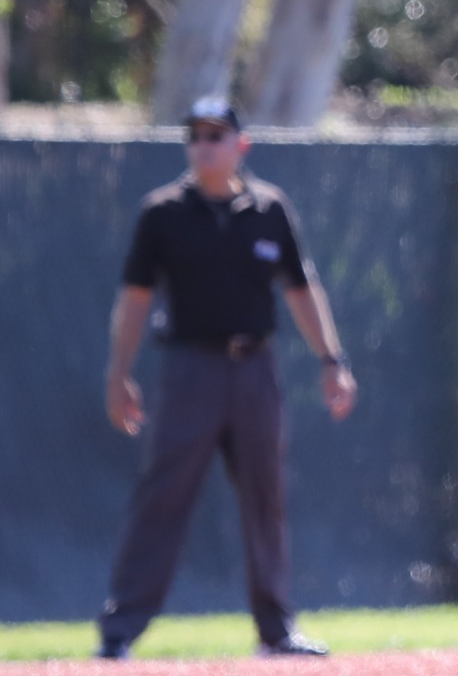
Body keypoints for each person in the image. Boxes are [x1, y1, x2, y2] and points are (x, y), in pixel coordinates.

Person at [96, 97, 358, 660]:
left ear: (242, 145)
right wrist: (119, 373)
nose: (205, 145)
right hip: (191, 369)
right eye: (196, 135)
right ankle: (120, 631)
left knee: (266, 496)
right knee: (162, 496)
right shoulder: (162, 212)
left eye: (217, 135)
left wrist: (332, 360)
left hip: (255, 370)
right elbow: (135, 298)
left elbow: (301, 288)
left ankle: (277, 629)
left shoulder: (269, 209)